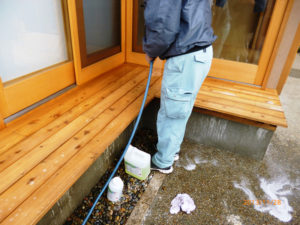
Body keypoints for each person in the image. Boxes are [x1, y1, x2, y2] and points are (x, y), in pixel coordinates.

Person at [143, 0, 216, 174]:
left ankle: (163, 161)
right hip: (200, 52)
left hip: (186, 55)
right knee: (181, 108)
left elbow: (162, 24)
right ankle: (171, 150)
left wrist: (151, 51)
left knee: (172, 113)